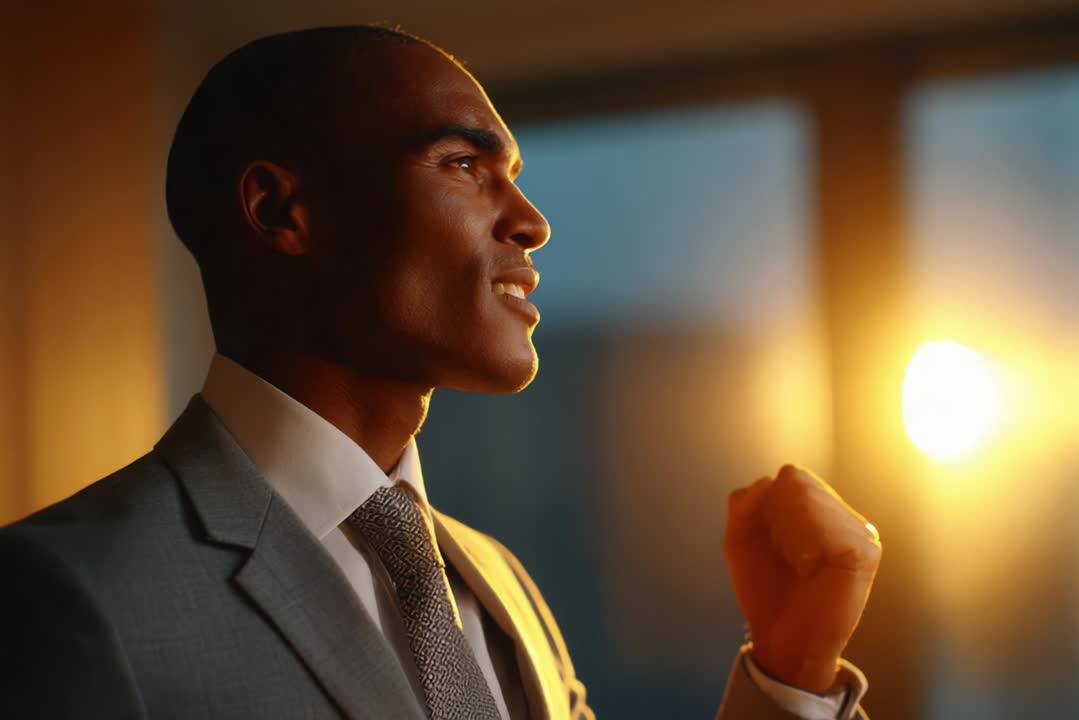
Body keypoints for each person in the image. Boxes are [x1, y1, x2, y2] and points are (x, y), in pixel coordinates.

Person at [0, 25, 882, 720]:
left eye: (513, 175)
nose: (532, 222)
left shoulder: (500, 585)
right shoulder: (61, 594)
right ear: (281, 209)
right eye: (464, 164)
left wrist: (792, 666)